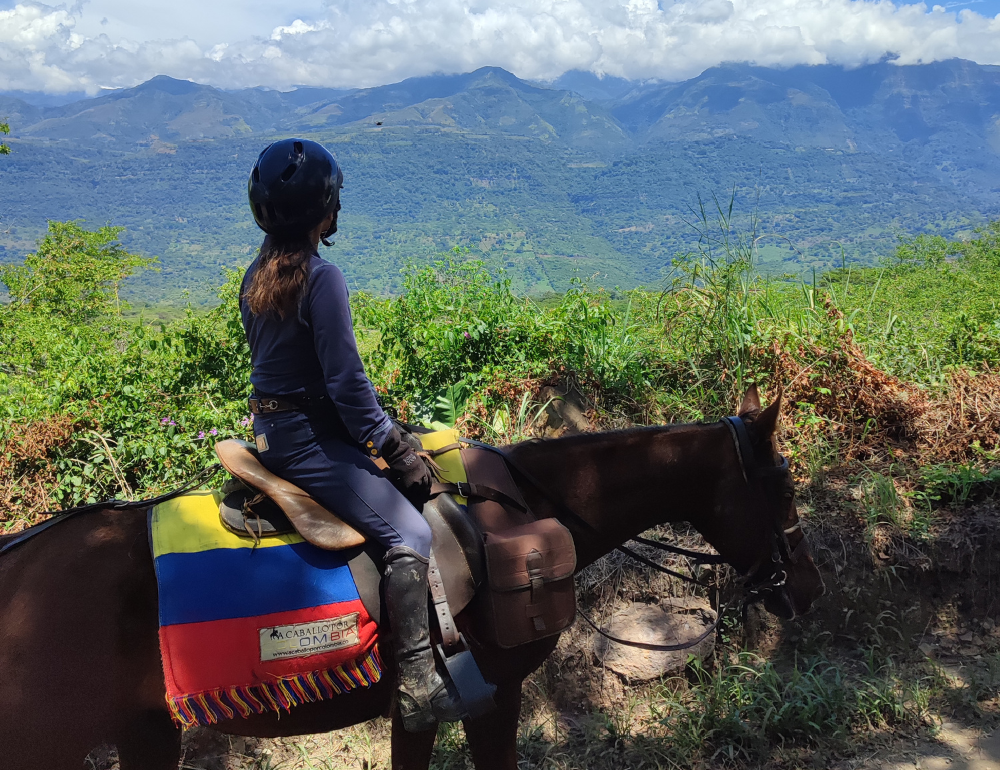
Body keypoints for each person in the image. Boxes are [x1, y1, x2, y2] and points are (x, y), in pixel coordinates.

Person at [240, 138, 462, 732]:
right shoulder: (322, 277)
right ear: (326, 208)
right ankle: (417, 683)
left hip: (275, 431)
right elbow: (345, 382)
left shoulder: (256, 275)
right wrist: (394, 446)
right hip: (308, 441)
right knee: (411, 532)